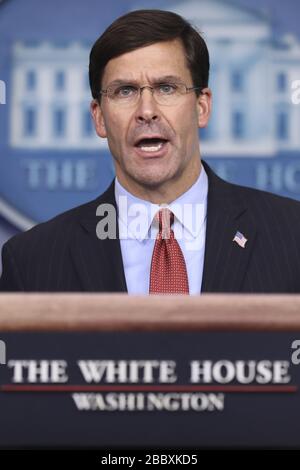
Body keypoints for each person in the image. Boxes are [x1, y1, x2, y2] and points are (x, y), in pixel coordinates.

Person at [1, 9, 300, 294]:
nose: (147, 111)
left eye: (167, 88)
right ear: (100, 117)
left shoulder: (291, 236)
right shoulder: (32, 261)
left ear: (202, 106)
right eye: (125, 91)